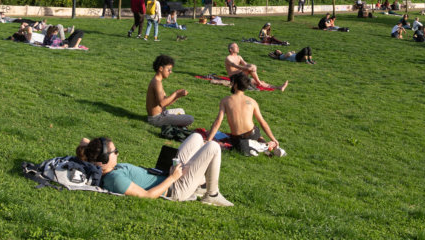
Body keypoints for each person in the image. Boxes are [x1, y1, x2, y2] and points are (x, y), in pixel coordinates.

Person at [76, 135, 232, 206]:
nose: (117, 152)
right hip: (175, 189)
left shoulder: (106, 166)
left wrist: (89, 146)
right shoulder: (114, 179)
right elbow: (147, 196)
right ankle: (212, 194)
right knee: (213, 147)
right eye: (114, 151)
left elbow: (85, 140)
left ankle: (199, 185)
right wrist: (172, 177)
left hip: (166, 174)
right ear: (102, 161)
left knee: (197, 137)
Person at [206, 72, 284, 157]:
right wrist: (274, 139)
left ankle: (265, 145)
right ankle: (267, 144)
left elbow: (218, 122)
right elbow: (263, 123)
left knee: (244, 150)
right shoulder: (252, 101)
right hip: (253, 133)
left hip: (239, 138)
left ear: (235, 85)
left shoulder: (225, 101)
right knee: (256, 136)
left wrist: (208, 140)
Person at [146, 55, 194, 128]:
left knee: (181, 111)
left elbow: (165, 104)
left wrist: (178, 96)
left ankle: (175, 123)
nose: (170, 72)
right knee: (190, 119)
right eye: (169, 69)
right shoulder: (157, 83)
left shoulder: (157, 81)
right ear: (161, 68)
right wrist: (176, 93)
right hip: (157, 119)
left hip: (162, 114)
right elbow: (162, 103)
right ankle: (175, 125)